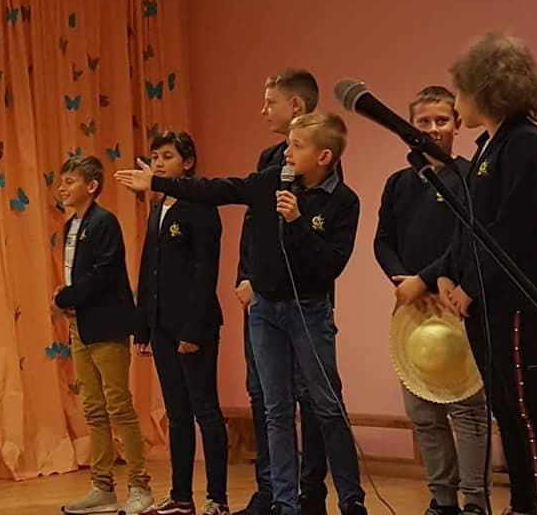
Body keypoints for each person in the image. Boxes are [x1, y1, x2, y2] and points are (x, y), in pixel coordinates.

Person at [116, 112, 367, 515]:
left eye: (297, 145)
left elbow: (329, 266)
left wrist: (297, 221)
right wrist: (158, 183)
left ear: (324, 156)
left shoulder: (343, 202)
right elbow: (220, 189)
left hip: (309, 311)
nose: (287, 152)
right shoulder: (272, 181)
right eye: (288, 143)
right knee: (276, 409)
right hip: (265, 311)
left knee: (325, 405)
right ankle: (284, 503)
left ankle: (352, 500)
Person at [396, 33, 537, 515]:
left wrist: (472, 285)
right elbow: (468, 227)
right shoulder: (491, 145)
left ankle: (536, 507)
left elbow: (514, 230)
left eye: (461, 90)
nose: (457, 101)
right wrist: (446, 275)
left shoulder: (526, 143)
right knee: (505, 409)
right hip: (487, 298)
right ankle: (521, 504)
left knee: (525, 410)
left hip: (514, 298)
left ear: (486, 89)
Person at [374, 85, 489, 515]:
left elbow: (468, 238)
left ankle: (474, 500)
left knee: (467, 412)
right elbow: (383, 240)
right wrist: (403, 281)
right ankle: (442, 499)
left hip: (455, 303)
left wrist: (425, 279)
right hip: (411, 309)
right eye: (423, 121)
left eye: (442, 120)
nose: (433, 128)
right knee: (424, 414)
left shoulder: (470, 177)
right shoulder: (398, 183)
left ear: (457, 124)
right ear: (410, 127)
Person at [234, 70, 330, 515]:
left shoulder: (321, 162)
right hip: (261, 296)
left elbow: (312, 236)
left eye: (270, 102)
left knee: (309, 395)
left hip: (301, 299)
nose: (262, 110)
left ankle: (310, 492)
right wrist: (246, 275)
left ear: (296, 106)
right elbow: (255, 225)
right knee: (264, 394)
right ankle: (271, 489)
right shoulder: (268, 159)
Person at [54, 155, 153, 515]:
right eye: (61, 182)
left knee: (118, 405)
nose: (62, 188)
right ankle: (102, 487)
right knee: (93, 408)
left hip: (107, 326)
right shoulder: (70, 225)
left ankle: (140, 486)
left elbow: (104, 274)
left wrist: (66, 297)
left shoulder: (104, 222)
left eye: (70, 181)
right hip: (80, 325)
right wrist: (69, 299)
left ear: (92, 186)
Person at [135, 131, 227, 515]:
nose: (158, 163)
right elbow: (148, 269)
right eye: (155, 156)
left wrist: (192, 329)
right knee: (177, 414)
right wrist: (143, 327)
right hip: (161, 325)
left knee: (205, 410)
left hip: (194, 326)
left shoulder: (200, 205)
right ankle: (181, 496)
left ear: (187, 163)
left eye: (168, 156)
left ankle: (217, 499)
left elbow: (206, 271)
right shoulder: (159, 206)